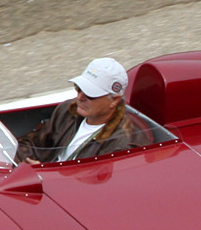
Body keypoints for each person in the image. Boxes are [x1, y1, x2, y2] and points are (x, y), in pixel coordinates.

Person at [18, 57, 165, 163]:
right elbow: (32, 143)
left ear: (114, 100)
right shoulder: (68, 111)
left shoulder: (124, 144)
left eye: (90, 94)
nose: (80, 97)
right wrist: (26, 165)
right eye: (79, 88)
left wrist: (44, 176)